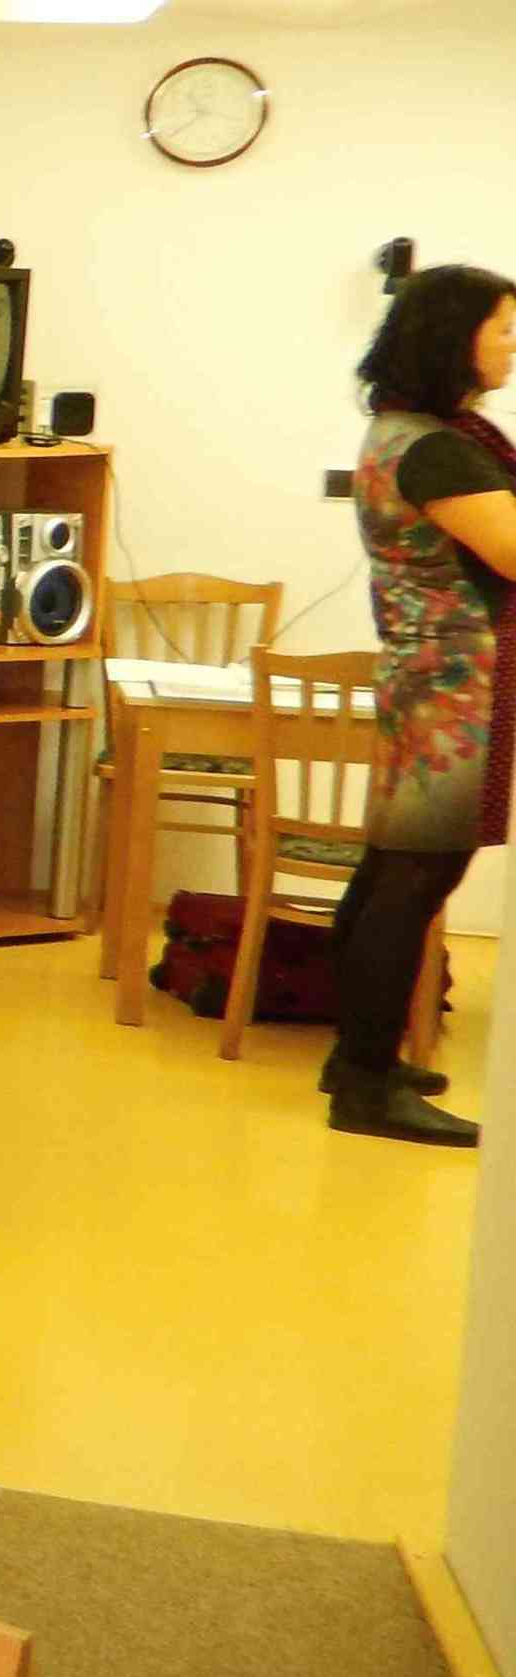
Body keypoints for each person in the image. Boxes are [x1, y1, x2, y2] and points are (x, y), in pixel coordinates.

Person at [331, 263, 516, 1146]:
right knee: (412, 883)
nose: (513, 347)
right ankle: (366, 1088)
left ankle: (356, 1062)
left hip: (426, 682)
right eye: (502, 329)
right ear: (454, 339)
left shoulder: (403, 430)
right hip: (454, 692)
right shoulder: (437, 449)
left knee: (390, 876)